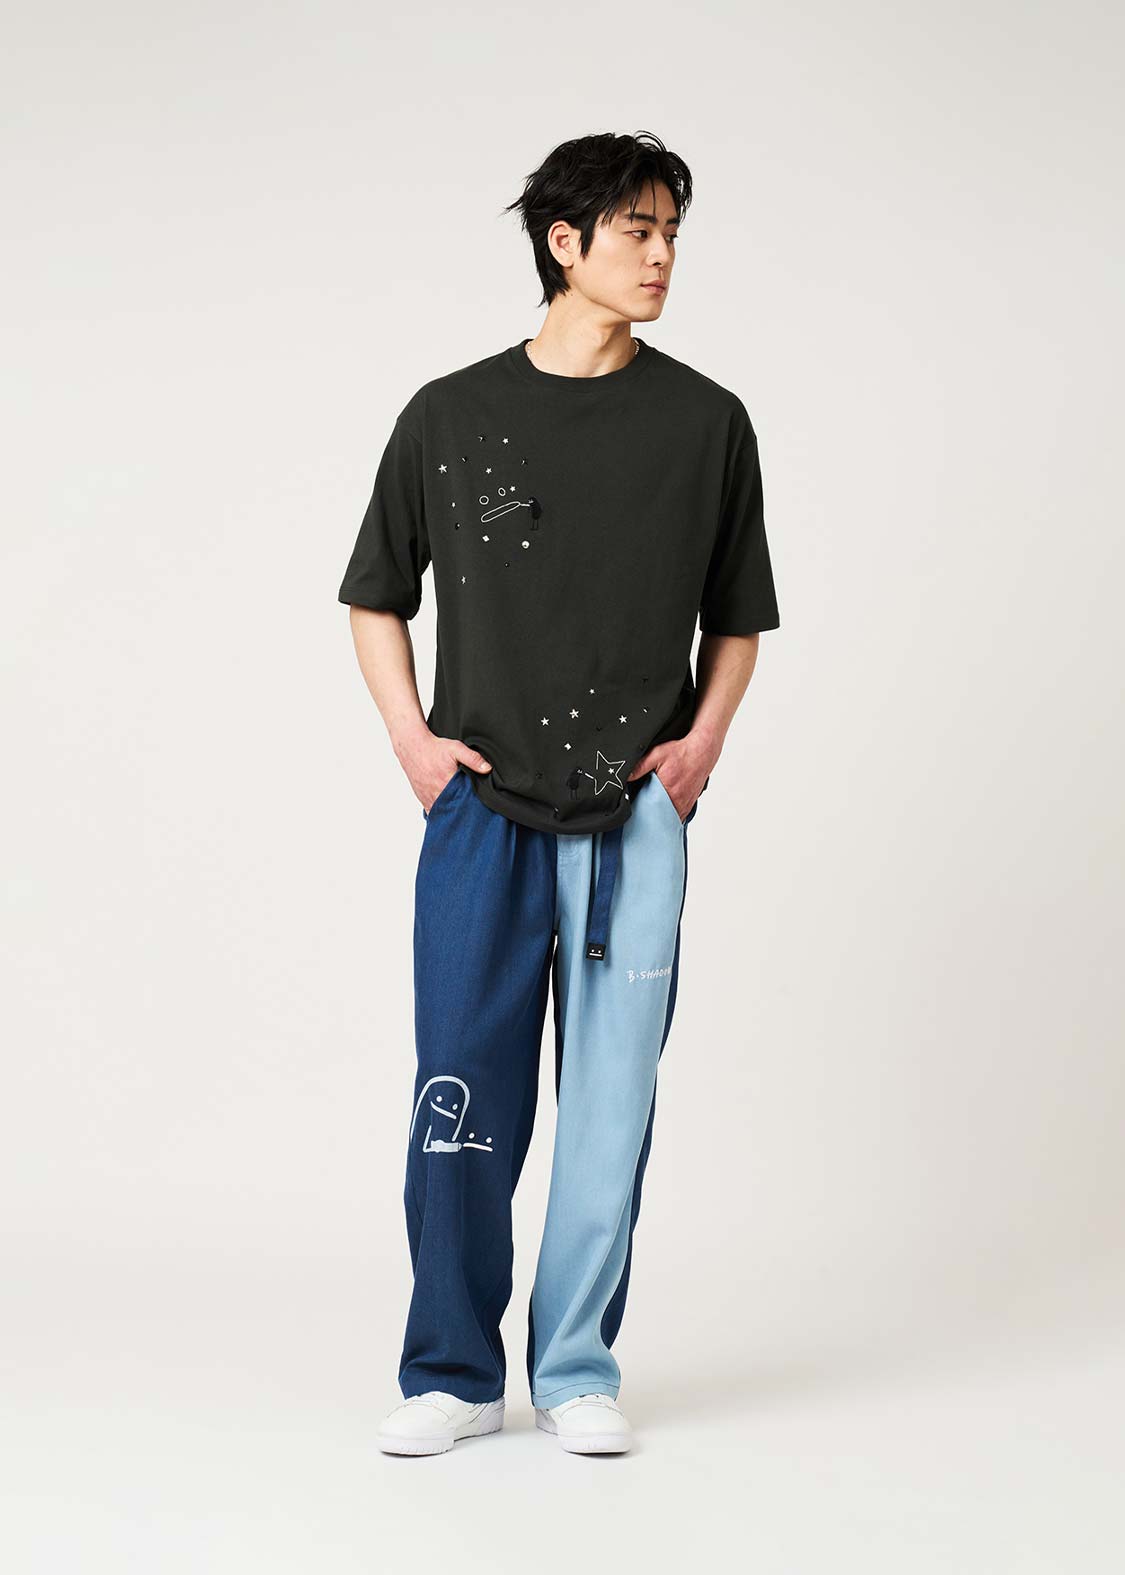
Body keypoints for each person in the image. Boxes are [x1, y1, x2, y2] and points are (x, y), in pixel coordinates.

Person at [338, 130, 779, 1457]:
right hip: (481, 811)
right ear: (563, 242)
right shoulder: (450, 415)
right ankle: (452, 1374)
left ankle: (578, 1367)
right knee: (461, 1098)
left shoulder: (706, 422)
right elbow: (374, 595)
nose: (661, 256)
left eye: (671, 234)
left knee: (609, 1104)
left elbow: (738, 619)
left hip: (634, 816)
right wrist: (414, 743)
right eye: (637, 231)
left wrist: (700, 748)